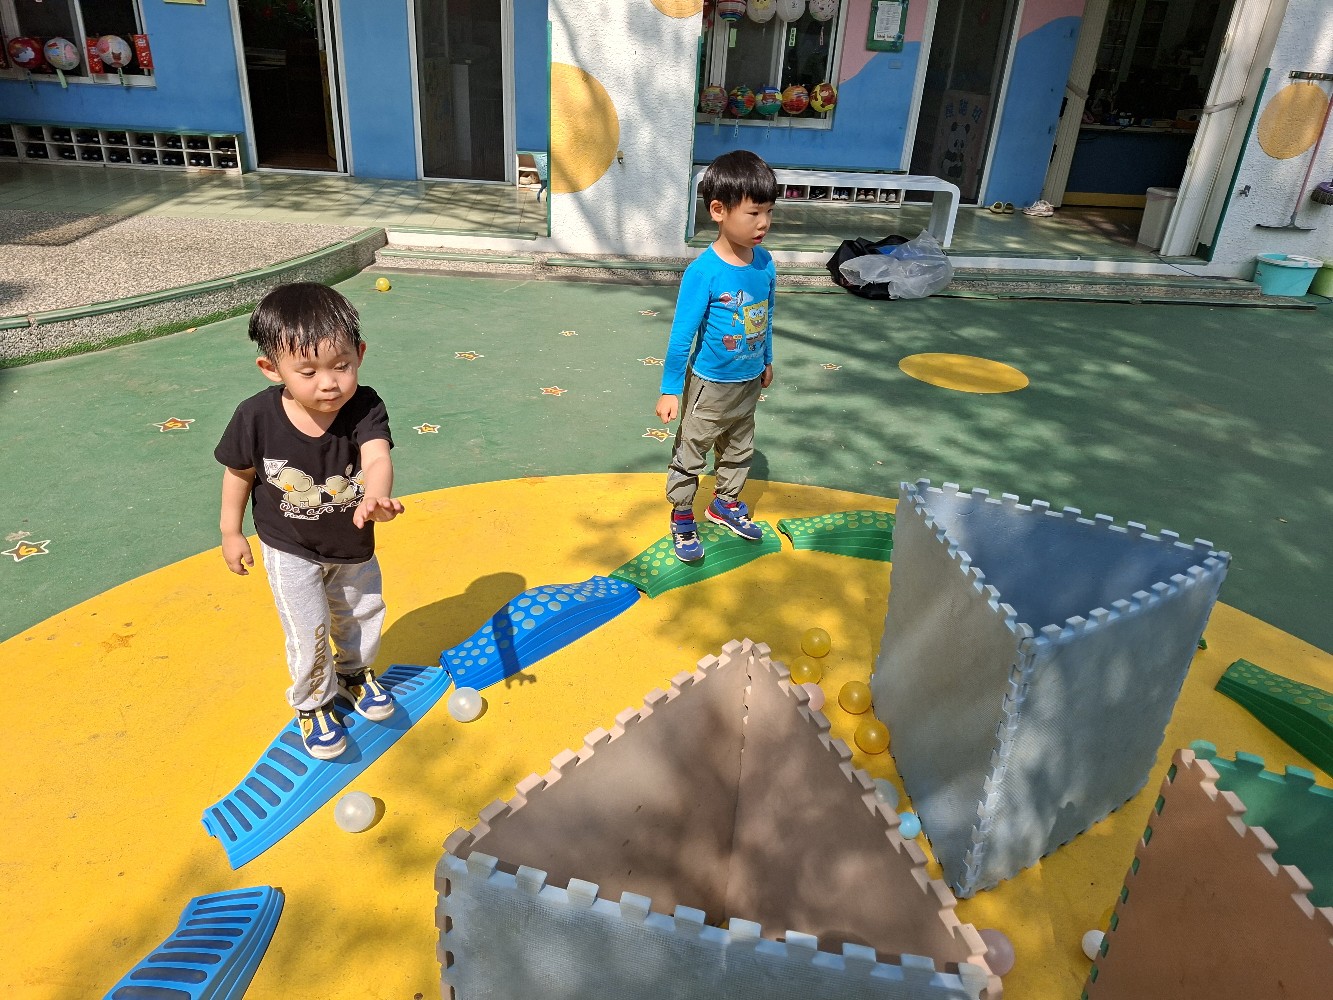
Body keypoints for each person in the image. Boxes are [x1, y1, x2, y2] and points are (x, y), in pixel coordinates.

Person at [215, 282, 404, 761]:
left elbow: (376, 456)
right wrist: (231, 531)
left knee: (363, 613)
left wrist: (377, 495)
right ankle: (313, 703)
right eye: (308, 371)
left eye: (342, 365)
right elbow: (239, 474)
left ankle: (354, 673)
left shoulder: (364, 406)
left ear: (360, 354)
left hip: (352, 543)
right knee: (309, 628)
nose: (329, 383)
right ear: (271, 368)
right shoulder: (255, 416)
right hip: (290, 546)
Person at [656, 149, 778, 563]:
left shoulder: (765, 263)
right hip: (709, 385)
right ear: (718, 210)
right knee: (692, 451)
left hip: (748, 382)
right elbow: (681, 336)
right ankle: (682, 513)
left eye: (769, 212)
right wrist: (670, 389)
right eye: (753, 213)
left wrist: (767, 358)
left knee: (740, 448)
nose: (763, 223)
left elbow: (766, 315)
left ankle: (724, 503)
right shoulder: (703, 272)